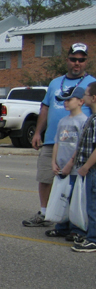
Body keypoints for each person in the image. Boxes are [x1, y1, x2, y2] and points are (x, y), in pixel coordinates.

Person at [23, 43, 95, 227]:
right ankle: (45, 213)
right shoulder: (55, 83)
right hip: (52, 141)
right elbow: (45, 107)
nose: (77, 63)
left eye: (81, 60)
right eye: (73, 59)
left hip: (77, 144)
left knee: (74, 181)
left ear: (86, 61)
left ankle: (73, 220)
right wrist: (38, 132)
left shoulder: (91, 84)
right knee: (46, 177)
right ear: (67, 60)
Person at [44, 86, 89, 240]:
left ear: (81, 101)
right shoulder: (63, 121)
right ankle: (61, 226)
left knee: (75, 200)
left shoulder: (83, 121)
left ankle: (77, 229)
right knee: (61, 197)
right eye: (64, 100)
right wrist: (53, 161)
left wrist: (71, 163)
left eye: (69, 99)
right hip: (61, 167)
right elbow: (57, 142)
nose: (65, 103)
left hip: (75, 168)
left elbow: (81, 145)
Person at [65, 82, 96, 252]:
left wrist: (86, 166)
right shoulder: (91, 117)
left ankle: (93, 239)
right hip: (89, 168)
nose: (83, 98)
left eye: (86, 94)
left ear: (93, 98)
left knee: (93, 205)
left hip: (92, 169)